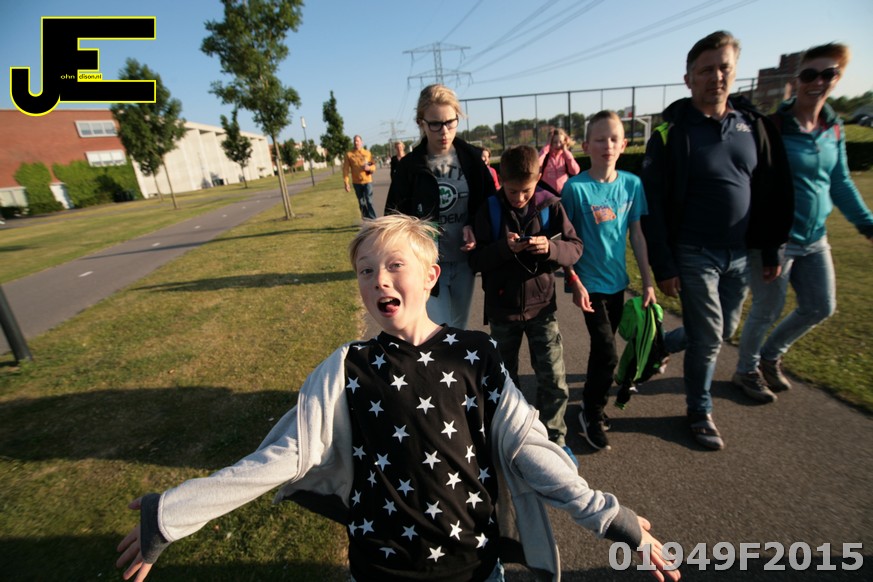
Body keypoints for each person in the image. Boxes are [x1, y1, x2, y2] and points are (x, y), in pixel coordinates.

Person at [115, 215, 679, 582]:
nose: (379, 280)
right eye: (366, 271)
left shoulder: (477, 353)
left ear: (432, 276)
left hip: (475, 568)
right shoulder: (347, 367)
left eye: (393, 266)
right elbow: (280, 458)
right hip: (380, 570)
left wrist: (612, 518)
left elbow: (529, 449)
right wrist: (171, 515)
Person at [639, 31, 794, 450]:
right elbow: (653, 204)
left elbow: (770, 191)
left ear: (735, 72)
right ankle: (699, 411)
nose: (716, 76)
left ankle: (660, 344)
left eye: (724, 67)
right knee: (709, 338)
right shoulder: (672, 133)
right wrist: (664, 264)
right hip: (694, 252)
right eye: (706, 70)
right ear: (688, 79)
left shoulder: (752, 126)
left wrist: (771, 247)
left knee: (723, 328)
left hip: (741, 253)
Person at [735, 42, 873, 394]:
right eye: (810, 74)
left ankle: (770, 356)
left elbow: (840, 182)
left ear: (837, 78)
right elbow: (758, 187)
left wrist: (866, 223)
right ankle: (746, 370)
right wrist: (767, 243)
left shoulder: (833, 128)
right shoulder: (775, 127)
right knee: (767, 308)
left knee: (820, 306)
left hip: (815, 238)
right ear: (797, 80)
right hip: (776, 240)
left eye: (828, 74)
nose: (818, 82)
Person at [468, 145, 583, 464]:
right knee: (505, 381)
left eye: (526, 191)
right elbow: (475, 261)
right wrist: (504, 249)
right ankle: (512, 438)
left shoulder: (550, 204)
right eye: (512, 191)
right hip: (502, 311)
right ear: (501, 181)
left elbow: (575, 248)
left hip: (542, 308)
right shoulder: (489, 209)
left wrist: (550, 248)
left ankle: (555, 440)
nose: (519, 198)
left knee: (553, 379)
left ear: (538, 179)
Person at [561, 111, 657, 452]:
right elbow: (564, 241)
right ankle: (591, 412)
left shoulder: (632, 184)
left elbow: (637, 235)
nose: (608, 145)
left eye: (614, 138)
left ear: (624, 144)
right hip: (589, 287)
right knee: (607, 352)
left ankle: (592, 399)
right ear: (586, 145)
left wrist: (648, 282)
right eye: (600, 139)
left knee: (603, 353)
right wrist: (574, 281)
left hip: (619, 285)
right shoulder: (575, 188)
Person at [386, 84, 498, 329]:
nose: (444, 131)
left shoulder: (473, 159)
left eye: (450, 122)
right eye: (435, 124)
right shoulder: (409, 168)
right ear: (421, 123)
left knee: (458, 326)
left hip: (465, 261)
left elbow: (490, 204)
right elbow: (394, 218)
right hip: (426, 263)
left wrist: (474, 226)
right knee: (439, 327)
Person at [538, 128, 580, 195]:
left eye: (560, 142)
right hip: (547, 194)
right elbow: (537, 165)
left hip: (564, 193)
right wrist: (546, 147)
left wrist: (566, 152)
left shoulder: (566, 156)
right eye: (555, 142)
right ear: (550, 143)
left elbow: (575, 171)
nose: (558, 145)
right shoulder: (545, 156)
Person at [343, 135, 377, 219]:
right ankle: (366, 220)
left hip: (367, 181)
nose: (356, 142)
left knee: (369, 201)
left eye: (357, 141)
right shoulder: (349, 154)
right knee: (361, 202)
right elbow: (346, 169)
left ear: (361, 142)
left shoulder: (367, 153)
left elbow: (373, 166)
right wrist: (346, 183)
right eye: (354, 141)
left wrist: (369, 168)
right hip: (356, 182)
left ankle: (374, 220)